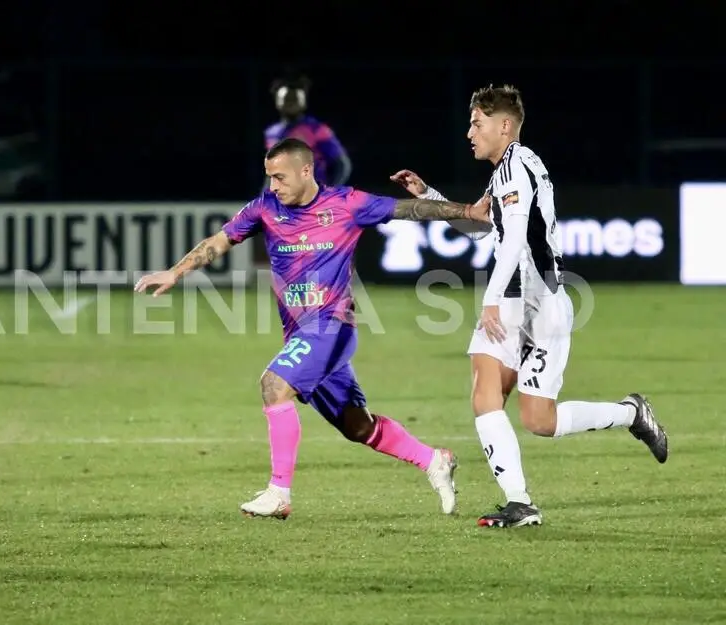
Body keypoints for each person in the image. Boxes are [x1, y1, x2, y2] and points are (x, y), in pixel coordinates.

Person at [135, 137, 490, 519]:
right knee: (357, 427)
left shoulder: (346, 204)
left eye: (280, 177)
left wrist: (468, 210)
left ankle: (279, 492)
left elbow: (410, 209)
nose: (273, 186)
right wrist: (176, 272)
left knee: (273, 385)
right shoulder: (264, 208)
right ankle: (433, 459)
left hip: (331, 326)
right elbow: (219, 241)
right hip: (300, 332)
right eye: (270, 178)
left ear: (307, 170)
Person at [390, 84, 669, 528]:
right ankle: (520, 503)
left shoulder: (516, 169)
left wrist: (492, 300)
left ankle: (631, 413)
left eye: (477, 123)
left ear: (504, 126)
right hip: (520, 301)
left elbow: (516, 239)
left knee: (540, 420)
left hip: (537, 304)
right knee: (486, 394)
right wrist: (430, 195)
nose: (469, 132)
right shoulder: (507, 171)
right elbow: (485, 230)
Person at [264, 74, 351, 188]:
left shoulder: (317, 130)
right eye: (286, 99)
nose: (290, 103)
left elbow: (341, 164)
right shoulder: (271, 133)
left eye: (295, 99)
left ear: (303, 102)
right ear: (277, 101)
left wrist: (330, 192)